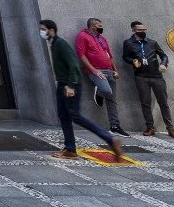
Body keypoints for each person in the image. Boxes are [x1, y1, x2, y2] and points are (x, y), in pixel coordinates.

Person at [41, 19, 122, 160]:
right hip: (63, 83)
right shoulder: (54, 43)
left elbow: (73, 65)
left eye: (43, 29)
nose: (41, 32)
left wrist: (71, 86)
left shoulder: (60, 44)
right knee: (64, 116)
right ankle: (70, 149)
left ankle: (110, 139)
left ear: (51, 30)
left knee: (75, 116)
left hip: (70, 84)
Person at [120, 21, 174, 139]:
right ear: (133, 30)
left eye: (144, 30)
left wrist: (164, 64)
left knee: (163, 102)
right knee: (145, 103)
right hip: (141, 76)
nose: (143, 32)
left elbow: (164, 55)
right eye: (140, 30)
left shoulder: (152, 43)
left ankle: (170, 128)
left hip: (156, 76)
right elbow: (125, 56)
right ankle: (150, 128)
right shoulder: (128, 43)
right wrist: (132, 61)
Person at [74, 17, 129, 136]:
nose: (102, 27)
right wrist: (94, 70)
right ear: (92, 26)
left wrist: (115, 70)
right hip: (97, 71)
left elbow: (109, 55)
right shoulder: (82, 36)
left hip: (109, 71)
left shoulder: (102, 38)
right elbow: (81, 55)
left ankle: (115, 126)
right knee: (106, 90)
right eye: (99, 26)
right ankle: (99, 93)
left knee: (112, 100)